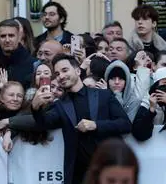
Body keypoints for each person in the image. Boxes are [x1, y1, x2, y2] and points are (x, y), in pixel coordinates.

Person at [31, 53, 131, 184]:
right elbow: (44, 123)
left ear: (78, 71)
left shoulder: (103, 95)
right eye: (57, 74)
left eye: (65, 70)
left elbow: (125, 124)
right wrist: (35, 108)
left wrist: (96, 125)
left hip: (108, 170)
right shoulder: (60, 105)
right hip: (78, 176)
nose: (61, 76)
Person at [0, 19, 36, 89]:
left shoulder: (34, 64)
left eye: (11, 36)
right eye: (3, 36)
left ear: (19, 37)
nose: (7, 40)